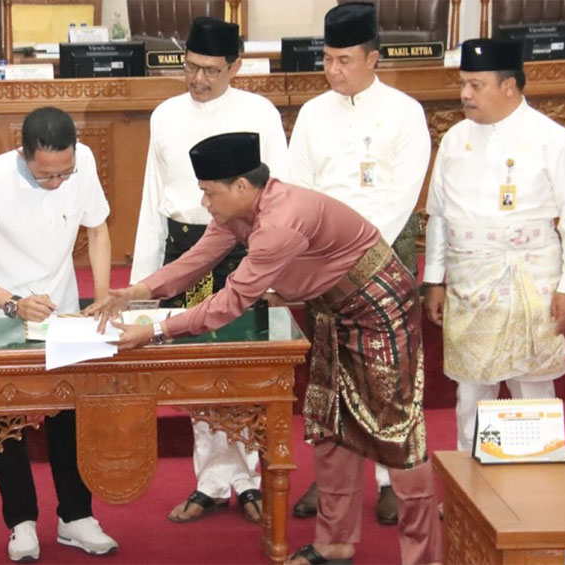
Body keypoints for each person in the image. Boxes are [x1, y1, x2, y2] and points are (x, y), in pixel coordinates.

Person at [97, 132, 442, 565]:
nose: (204, 202)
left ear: (242, 186)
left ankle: (425, 556)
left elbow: (232, 301)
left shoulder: (280, 222)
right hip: (330, 309)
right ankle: (335, 543)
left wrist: (156, 331)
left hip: (379, 306)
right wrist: (136, 292)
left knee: (398, 434)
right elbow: (196, 261)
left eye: (209, 192)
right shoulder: (238, 212)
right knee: (330, 425)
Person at [130, 15, 288, 524]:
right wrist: (143, 279)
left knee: (244, 364)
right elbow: (153, 199)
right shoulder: (165, 116)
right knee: (198, 366)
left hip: (244, 249)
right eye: (191, 67)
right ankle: (210, 482)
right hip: (187, 253)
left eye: (211, 70)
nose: (198, 79)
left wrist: (276, 271)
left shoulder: (259, 113)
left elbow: (280, 194)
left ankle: (249, 480)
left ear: (235, 67)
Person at [0, 106, 117, 562]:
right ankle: (21, 522)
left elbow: (98, 229)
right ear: (23, 155)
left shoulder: (83, 161)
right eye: (47, 176)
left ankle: (76, 516)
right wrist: (13, 303)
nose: (58, 182)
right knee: (7, 420)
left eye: (65, 173)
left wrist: (102, 295)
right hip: (0, 308)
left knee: (70, 412)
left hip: (60, 305)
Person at [286, 1, 431, 525]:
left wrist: (356, 258)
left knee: (387, 380)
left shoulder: (405, 112)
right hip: (323, 266)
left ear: (373, 58)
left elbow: (402, 195)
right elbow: (298, 189)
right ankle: (333, 484)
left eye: (344, 60)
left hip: (383, 263)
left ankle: (391, 477)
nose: (333, 70)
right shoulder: (311, 114)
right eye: (327, 59)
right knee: (330, 377)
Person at [423, 38, 565, 452]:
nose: (465, 94)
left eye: (476, 85)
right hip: (470, 281)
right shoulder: (454, 139)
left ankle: (538, 480)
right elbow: (439, 215)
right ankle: (468, 481)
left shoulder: (551, 138)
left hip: (531, 280)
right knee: (471, 390)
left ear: (508, 86)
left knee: (533, 386)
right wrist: (434, 280)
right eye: (463, 84)